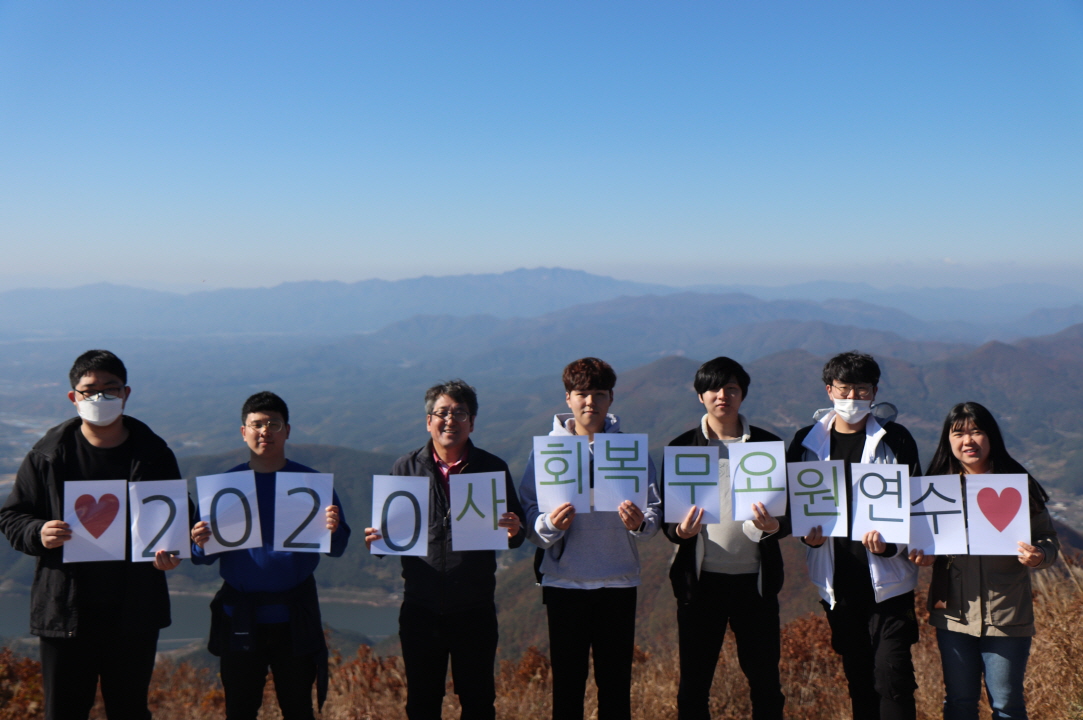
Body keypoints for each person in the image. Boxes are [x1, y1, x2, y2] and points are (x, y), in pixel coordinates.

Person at [0, 349, 183, 720]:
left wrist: (172, 552)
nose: (99, 398)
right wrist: (38, 532)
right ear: (73, 397)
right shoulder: (47, 455)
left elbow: (175, 517)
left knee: (129, 710)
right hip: (65, 612)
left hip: (134, 611)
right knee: (64, 712)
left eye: (110, 389)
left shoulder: (154, 454)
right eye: (89, 390)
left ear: (126, 394)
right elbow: (13, 515)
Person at [364, 379, 525, 720]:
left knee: (479, 702)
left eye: (460, 413)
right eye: (442, 413)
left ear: (472, 422)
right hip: (420, 609)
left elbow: (515, 533)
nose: (450, 420)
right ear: (428, 421)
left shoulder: (492, 468)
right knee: (422, 704)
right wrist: (377, 540)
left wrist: (514, 529)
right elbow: (392, 536)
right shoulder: (405, 468)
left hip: (474, 608)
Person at [190, 391, 350, 720]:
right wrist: (198, 540)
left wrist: (334, 528)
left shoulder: (310, 482)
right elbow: (201, 557)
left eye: (273, 424)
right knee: (240, 709)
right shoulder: (224, 487)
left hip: (294, 616)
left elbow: (337, 547)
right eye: (257, 424)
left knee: (298, 709)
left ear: (287, 430)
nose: (265, 431)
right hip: (240, 616)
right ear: (243, 431)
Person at [519, 357, 662, 720]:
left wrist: (639, 524)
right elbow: (528, 514)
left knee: (615, 687)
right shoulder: (548, 451)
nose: (590, 402)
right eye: (582, 394)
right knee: (567, 687)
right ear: (567, 398)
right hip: (565, 582)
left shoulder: (629, 450)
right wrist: (549, 525)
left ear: (611, 398)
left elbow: (653, 512)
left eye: (599, 394)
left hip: (618, 579)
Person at [786, 350, 922, 720]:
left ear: (875, 391)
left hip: (889, 582)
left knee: (892, 678)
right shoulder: (805, 442)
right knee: (859, 679)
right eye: (844, 389)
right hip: (837, 581)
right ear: (829, 390)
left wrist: (891, 544)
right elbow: (796, 507)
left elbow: (915, 506)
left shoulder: (896, 440)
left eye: (861, 390)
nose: (852, 399)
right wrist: (807, 539)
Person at [910, 402, 1059, 720]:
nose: (968, 441)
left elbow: (1048, 539)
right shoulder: (936, 487)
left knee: (1006, 705)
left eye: (976, 432)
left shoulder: (1017, 483)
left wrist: (1039, 556)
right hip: (953, 615)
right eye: (959, 433)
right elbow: (924, 544)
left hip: (1007, 614)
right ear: (947, 440)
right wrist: (922, 555)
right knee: (959, 703)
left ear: (991, 437)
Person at [662, 356, 787, 720]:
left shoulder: (766, 444)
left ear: (742, 394)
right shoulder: (684, 446)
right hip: (701, 584)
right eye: (714, 388)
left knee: (765, 683)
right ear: (700, 395)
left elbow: (787, 515)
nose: (723, 395)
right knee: (694, 687)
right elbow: (671, 522)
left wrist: (773, 527)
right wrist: (680, 532)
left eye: (731, 388)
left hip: (756, 584)